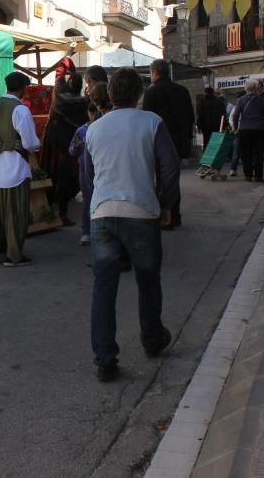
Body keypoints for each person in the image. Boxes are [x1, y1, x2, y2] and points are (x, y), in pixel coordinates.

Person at [84, 68, 179, 382]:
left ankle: (105, 359)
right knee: (148, 280)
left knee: (104, 287)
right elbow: (169, 167)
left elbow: (86, 176)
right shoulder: (152, 123)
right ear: (139, 93)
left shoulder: (94, 129)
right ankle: (152, 339)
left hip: (102, 213)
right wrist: (167, 204)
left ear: (110, 95)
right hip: (141, 211)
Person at [0, 71, 40, 267]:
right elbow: (30, 142)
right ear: (22, 89)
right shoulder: (20, 110)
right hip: (15, 167)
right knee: (15, 213)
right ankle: (13, 255)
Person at [142, 59, 194, 227]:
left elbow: (147, 119)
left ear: (154, 73)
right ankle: (174, 215)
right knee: (172, 180)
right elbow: (190, 118)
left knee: (159, 181)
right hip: (178, 142)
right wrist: (186, 140)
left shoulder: (152, 92)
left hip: (158, 142)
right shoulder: (182, 91)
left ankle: (163, 216)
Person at [42, 73, 89, 226]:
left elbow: (58, 83)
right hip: (72, 147)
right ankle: (61, 214)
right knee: (69, 180)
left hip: (55, 146)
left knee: (53, 177)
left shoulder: (59, 100)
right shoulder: (83, 103)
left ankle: (50, 212)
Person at [69, 81, 112, 246]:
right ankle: (91, 231)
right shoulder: (84, 130)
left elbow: (72, 150)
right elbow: (72, 150)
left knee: (94, 201)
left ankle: (93, 232)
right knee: (94, 201)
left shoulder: (86, 130)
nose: (93, 115)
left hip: (91, 169)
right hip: (93, 169)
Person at [232, 79, 264, 182]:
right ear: (256, 88)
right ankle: (258, 176)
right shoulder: (260, 100)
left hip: (245, 129)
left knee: (246, 153)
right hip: (259, 130)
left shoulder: (241, 100)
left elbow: (235, 115)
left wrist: (235, 128)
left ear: (246, 88)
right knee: (258, 153)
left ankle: (248, 175)